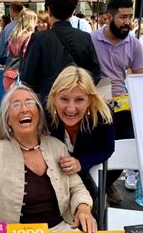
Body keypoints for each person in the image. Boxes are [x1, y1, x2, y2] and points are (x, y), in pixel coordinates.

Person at [0, 85, 96, 233]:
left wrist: (83, 208)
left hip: (59, 230)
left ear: (38, 113)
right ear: (7, 119)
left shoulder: (57, 147)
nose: (24, 109)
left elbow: (76, 187)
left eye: (30, 103)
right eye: (16, 104)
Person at [90, 0, 143, 202]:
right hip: (94, 104)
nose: (127, 22)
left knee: (127, 147)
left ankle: (105, 185)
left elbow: (139, 79)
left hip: (121, 105)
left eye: (130, 17)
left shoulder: (134, 44)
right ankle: (95, 188)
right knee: (97, 149)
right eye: (122, 17)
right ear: (108, 17)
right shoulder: (92, 39)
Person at [47, 66, 115, 214]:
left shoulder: (102, 116)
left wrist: (81, 162)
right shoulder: (45, 114)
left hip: (85, 178)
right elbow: (19, 136)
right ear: (54, 97)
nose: (71, 109)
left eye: (79, 100)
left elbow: (106, 149)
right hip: (51, 179)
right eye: (64, 99)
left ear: (89, 100)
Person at [20, 0, 101, 106]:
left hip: (48, 104)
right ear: (73, 11)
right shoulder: (84, 38)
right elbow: (95, 75)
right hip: (76, 106)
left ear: (49, 10)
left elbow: (27, 76)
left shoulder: (38, 38)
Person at [3, 9, 37, 91]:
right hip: (20, 77)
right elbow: (27, 57)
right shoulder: (30, 37)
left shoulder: (13, 36)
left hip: (8, 75)